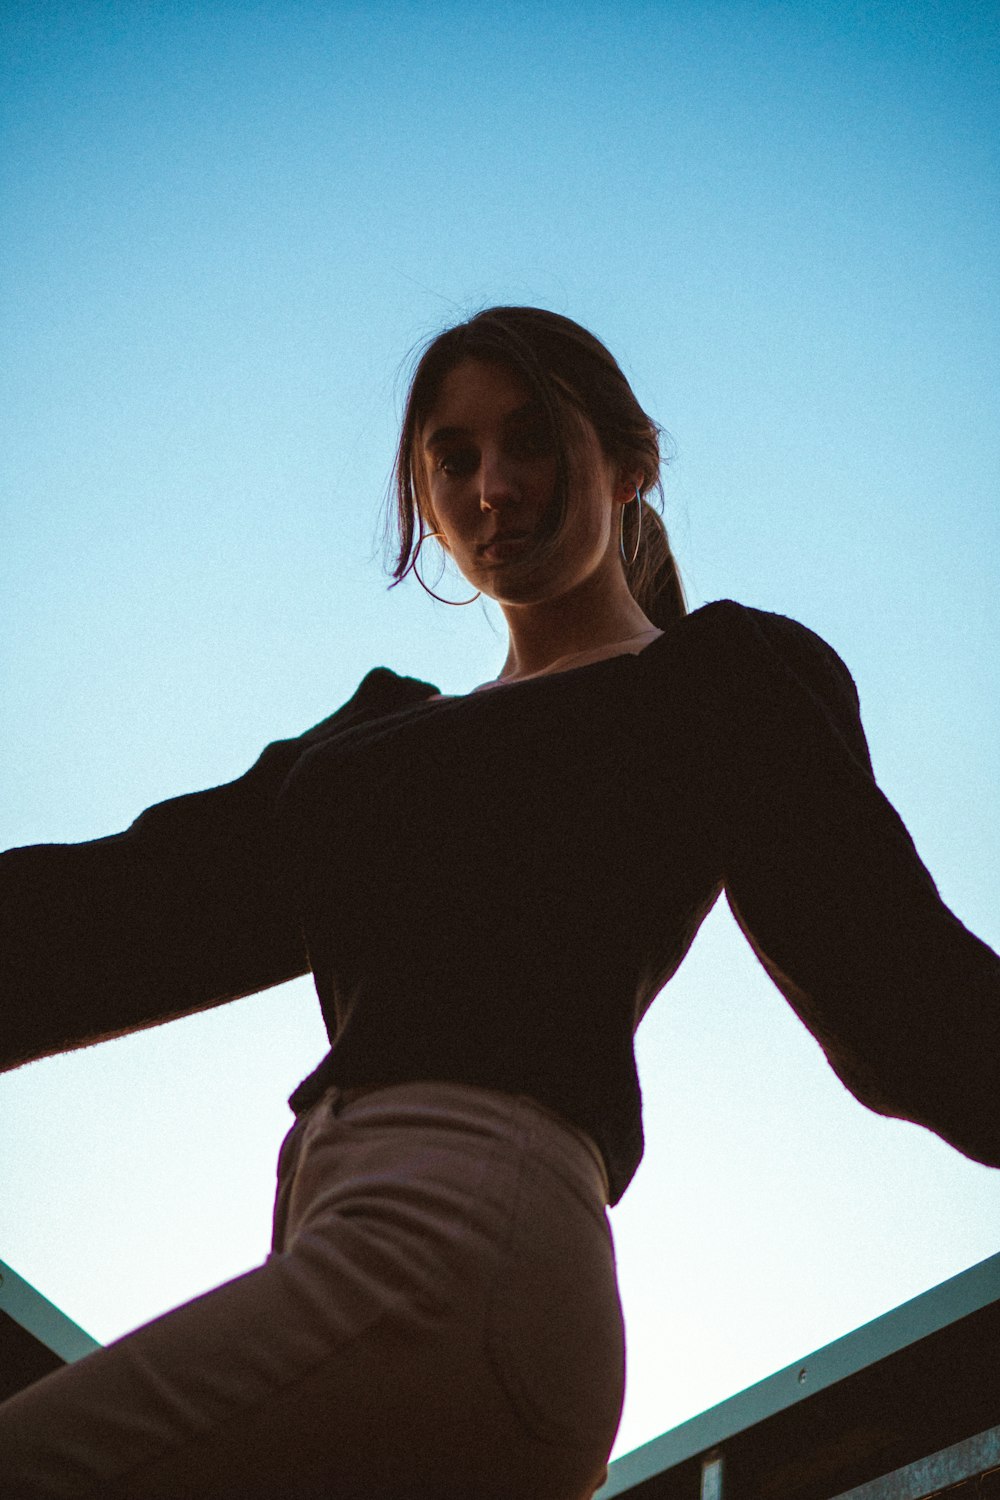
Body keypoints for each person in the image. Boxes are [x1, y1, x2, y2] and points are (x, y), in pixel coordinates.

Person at [0, 306, 997, 1499]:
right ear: (422, 497)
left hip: (461, 1246)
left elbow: (899, 992)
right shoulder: (373, 746)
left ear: (629, 466)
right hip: (342, 1239)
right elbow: (123, 912)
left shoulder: (706, 684)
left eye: (532, 443)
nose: (493, 488)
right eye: (454, 458)